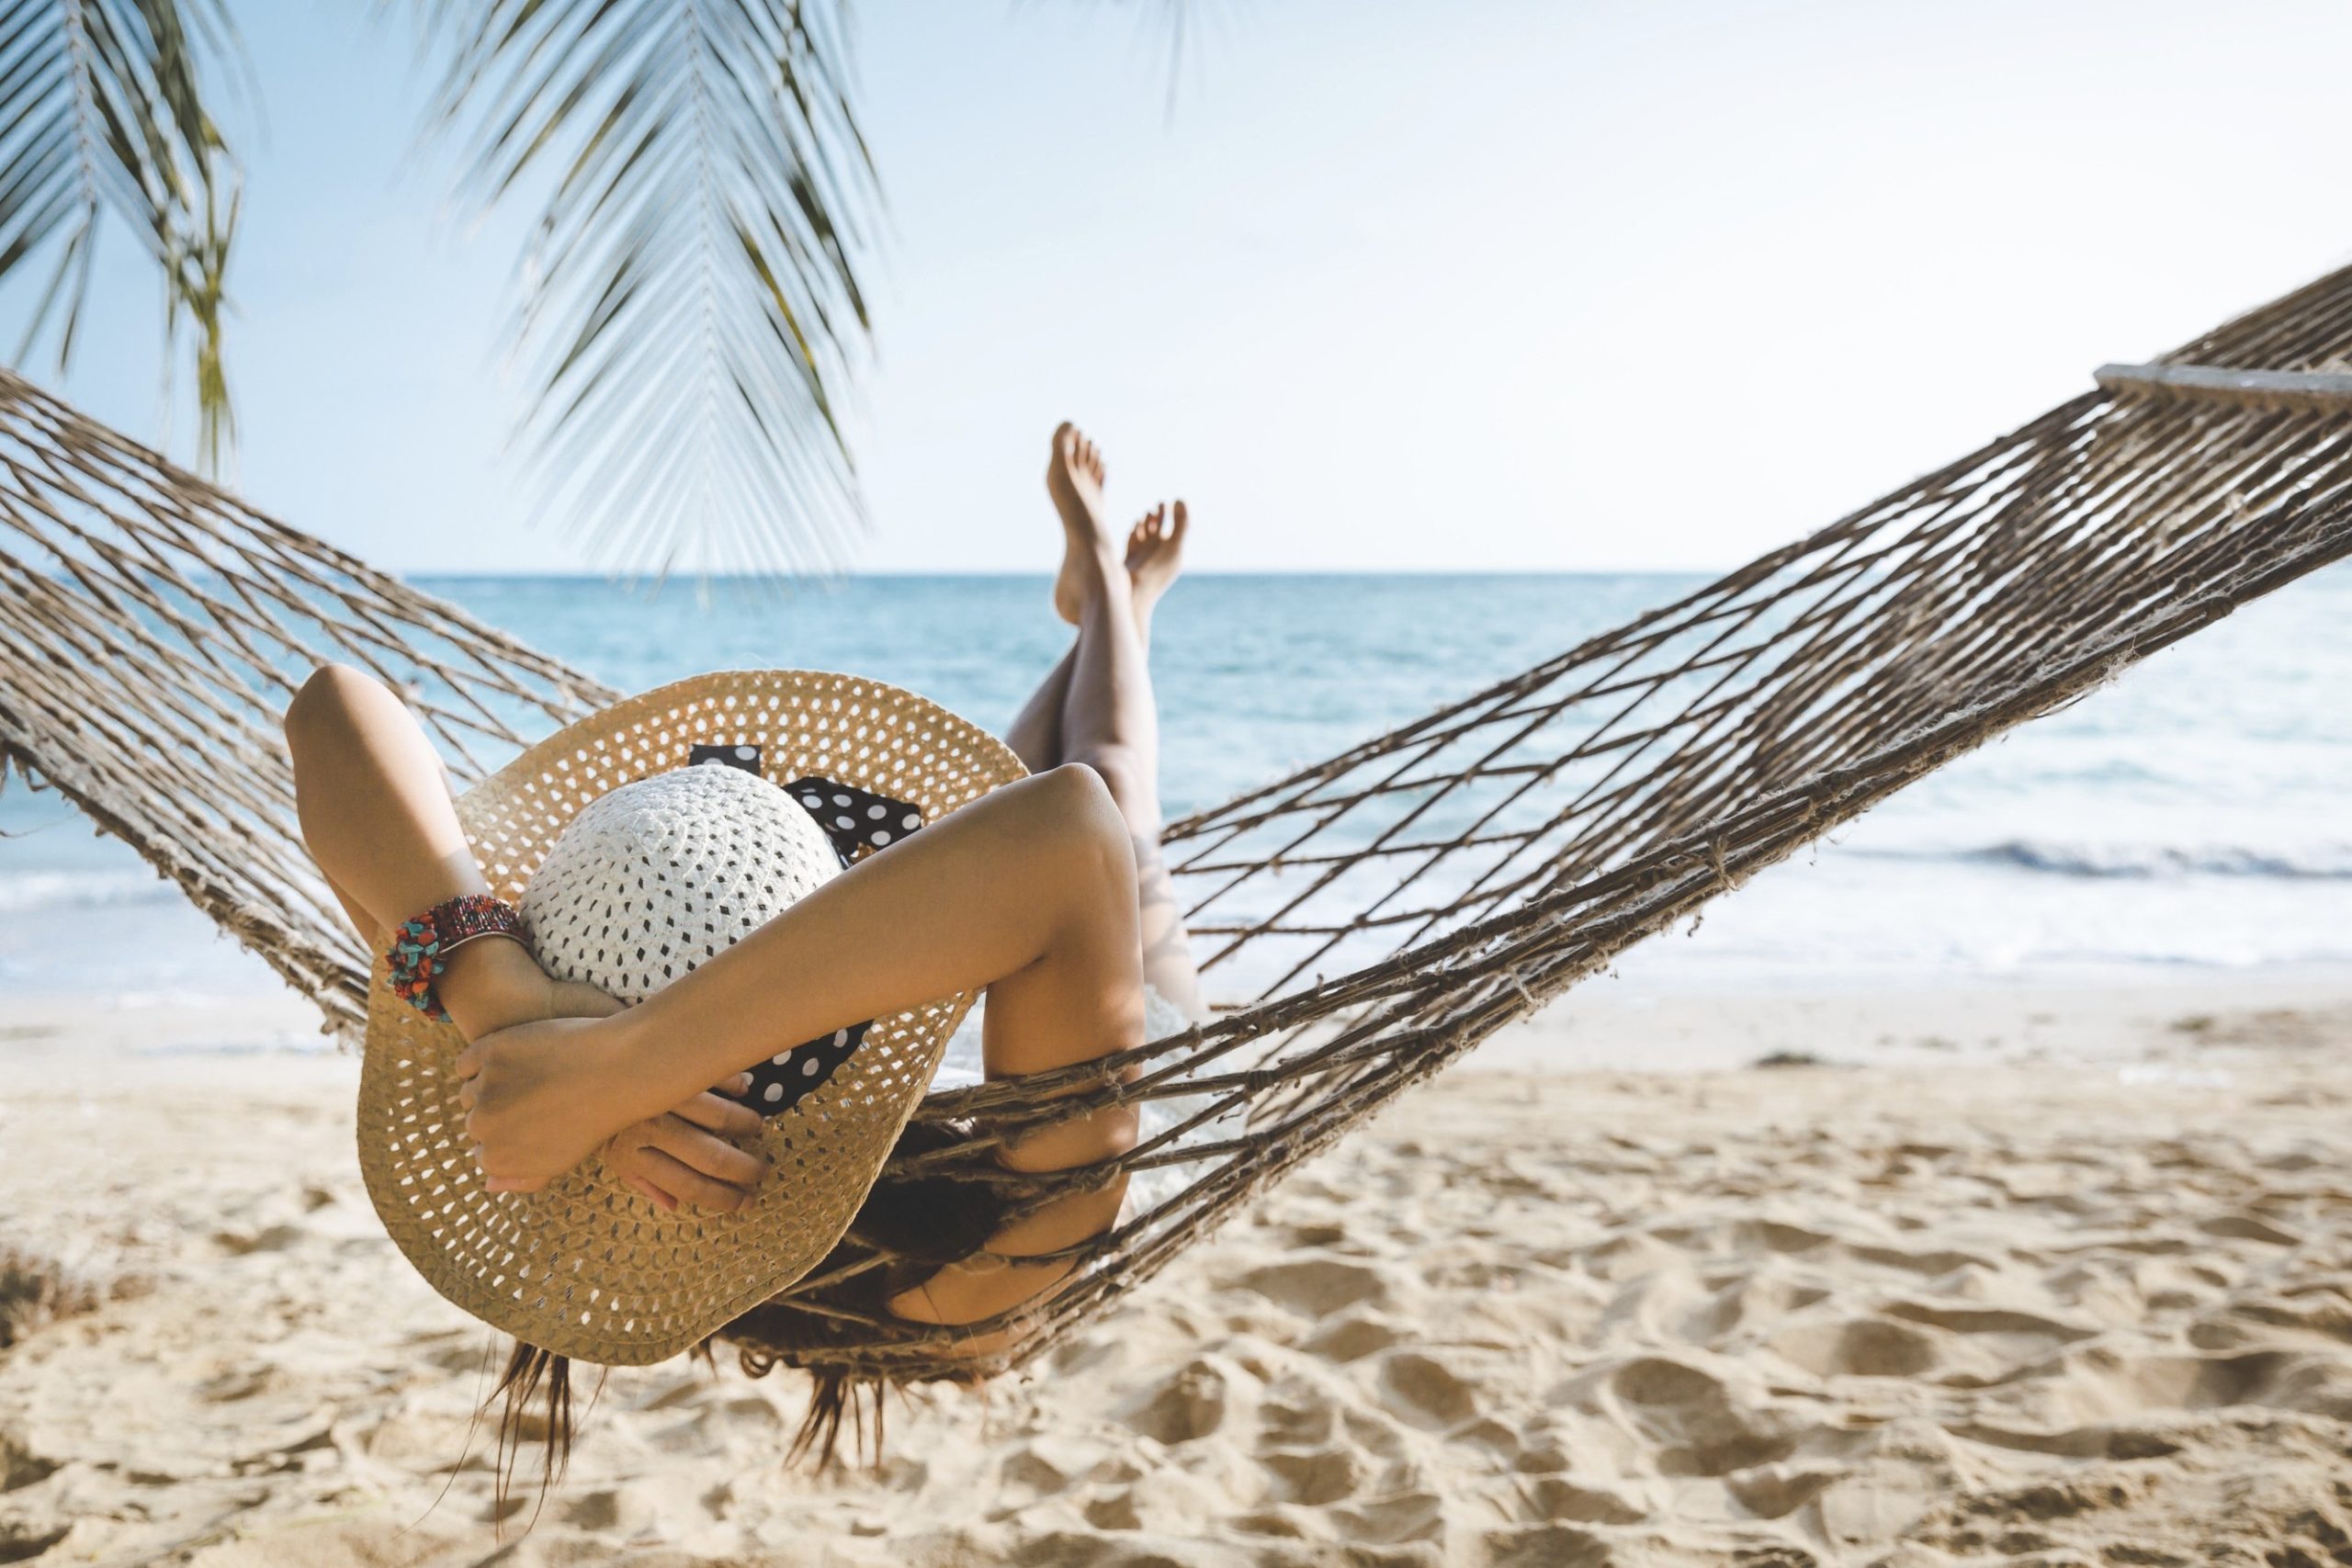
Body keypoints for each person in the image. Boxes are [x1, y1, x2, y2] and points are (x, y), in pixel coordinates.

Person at [285, 423, 1199, 1333]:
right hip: (1096, 1035)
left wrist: (509, 1004)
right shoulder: (972, 1261)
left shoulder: (509, 1088)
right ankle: (1119, 599)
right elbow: (1075, 834)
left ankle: (1109, 599)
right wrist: (614, 1072)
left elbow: (329, 710)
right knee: (1116, 782)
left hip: (925, 951)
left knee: (1031, 789)